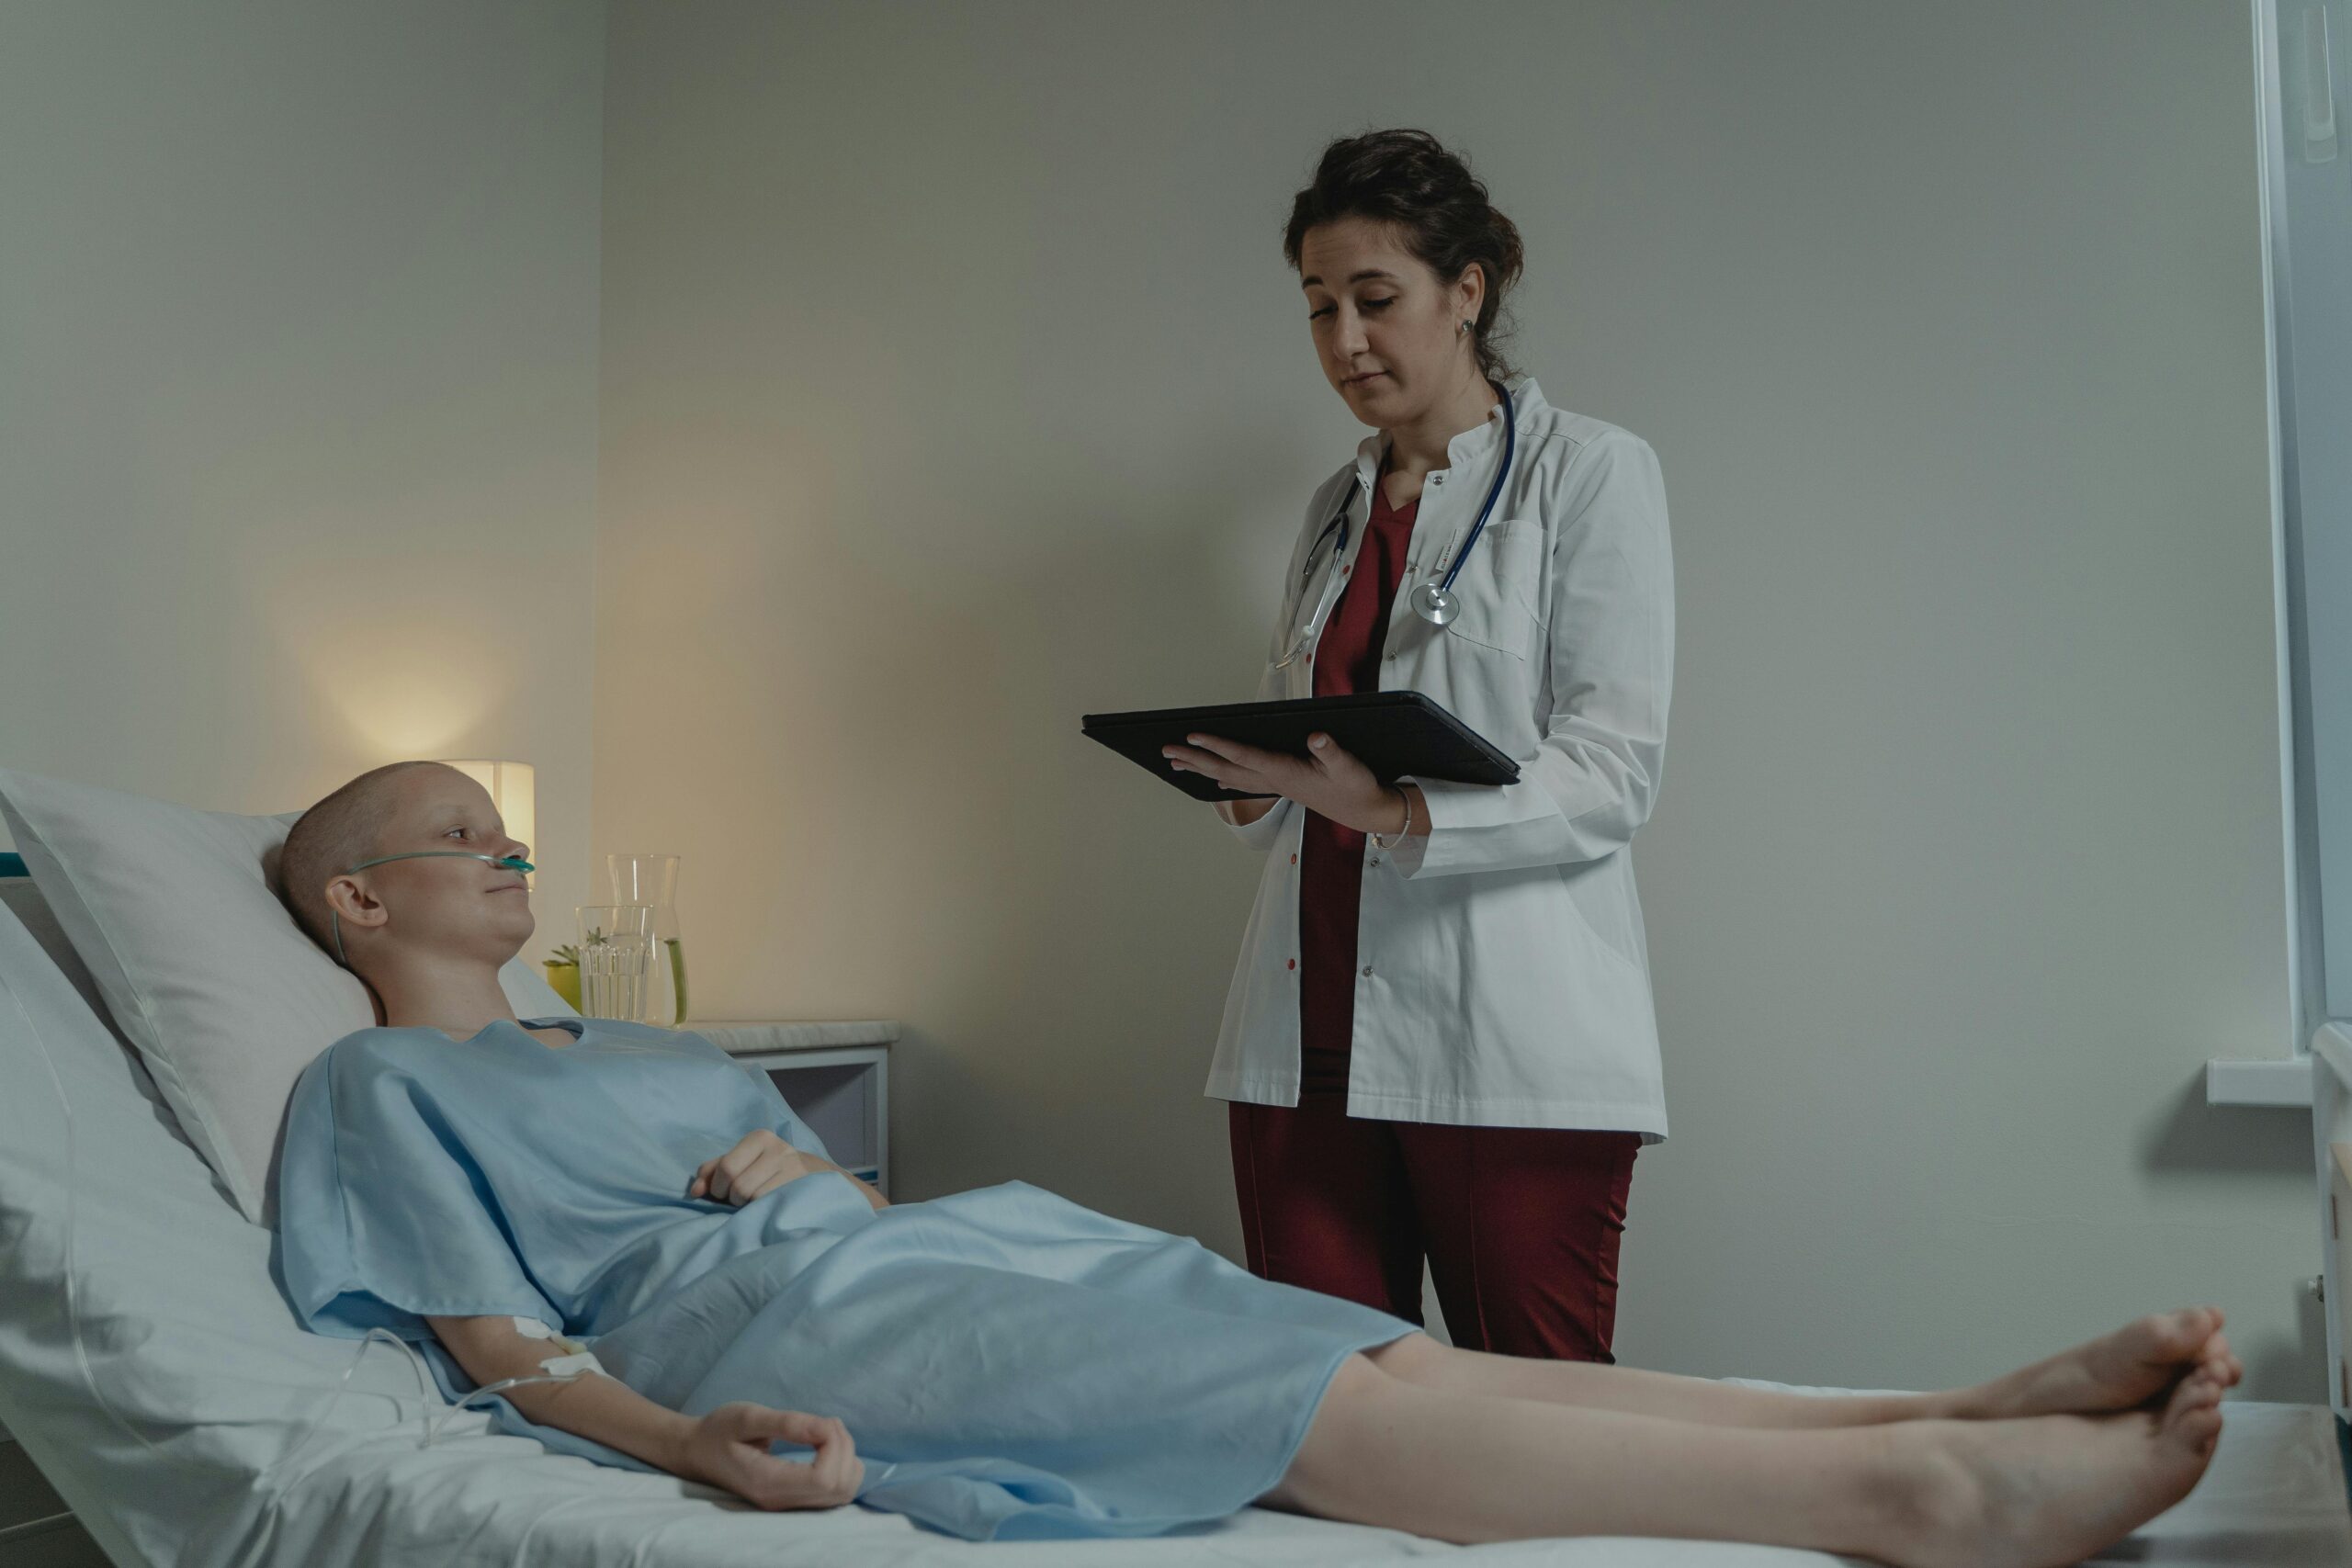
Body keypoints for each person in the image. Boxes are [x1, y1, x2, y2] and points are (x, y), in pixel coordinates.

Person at [268, 764, 2242, 1560]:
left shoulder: (647, 1039)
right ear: (360, 899)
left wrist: (814, 1180)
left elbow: (847, 1187)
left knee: (1379, 1348)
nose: (510, 848)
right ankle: (1915, 1495)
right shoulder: (382, 1088)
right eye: (465, 836)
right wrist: (689, 1444)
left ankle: (1935, 1405)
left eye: (511, 832)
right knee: (1303, 1410)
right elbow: (496, 1343)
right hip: (753, 1331)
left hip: (926, 1248)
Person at [1163, 129, 1668, 1361]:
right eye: (1319, 306)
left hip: (1505, 1043)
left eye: (1375, 299)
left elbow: (1611, 771)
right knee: (1332, 1412)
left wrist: (1394, 814)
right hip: (1303, 1047)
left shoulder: (1587, 476)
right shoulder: (1333, 513)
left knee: (1535, 1419)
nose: (1344, 341)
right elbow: (1303, 757)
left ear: (1467, 291)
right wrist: (1244, 780)